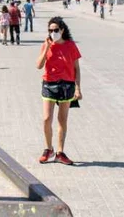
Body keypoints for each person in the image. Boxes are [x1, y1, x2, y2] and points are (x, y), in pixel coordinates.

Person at [36, 17, 82, 166]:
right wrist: (48, 48)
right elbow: (38, 65)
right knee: (46, 119)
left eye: (56, 30)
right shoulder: (46, 45)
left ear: (62, 30)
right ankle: (48, 149)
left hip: (66, 86)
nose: (53, 33)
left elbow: (76, 69)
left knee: (62, 120)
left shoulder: (70, 45)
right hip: (49, 84)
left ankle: (60, 153)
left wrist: (78, 88)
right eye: (50, 30)